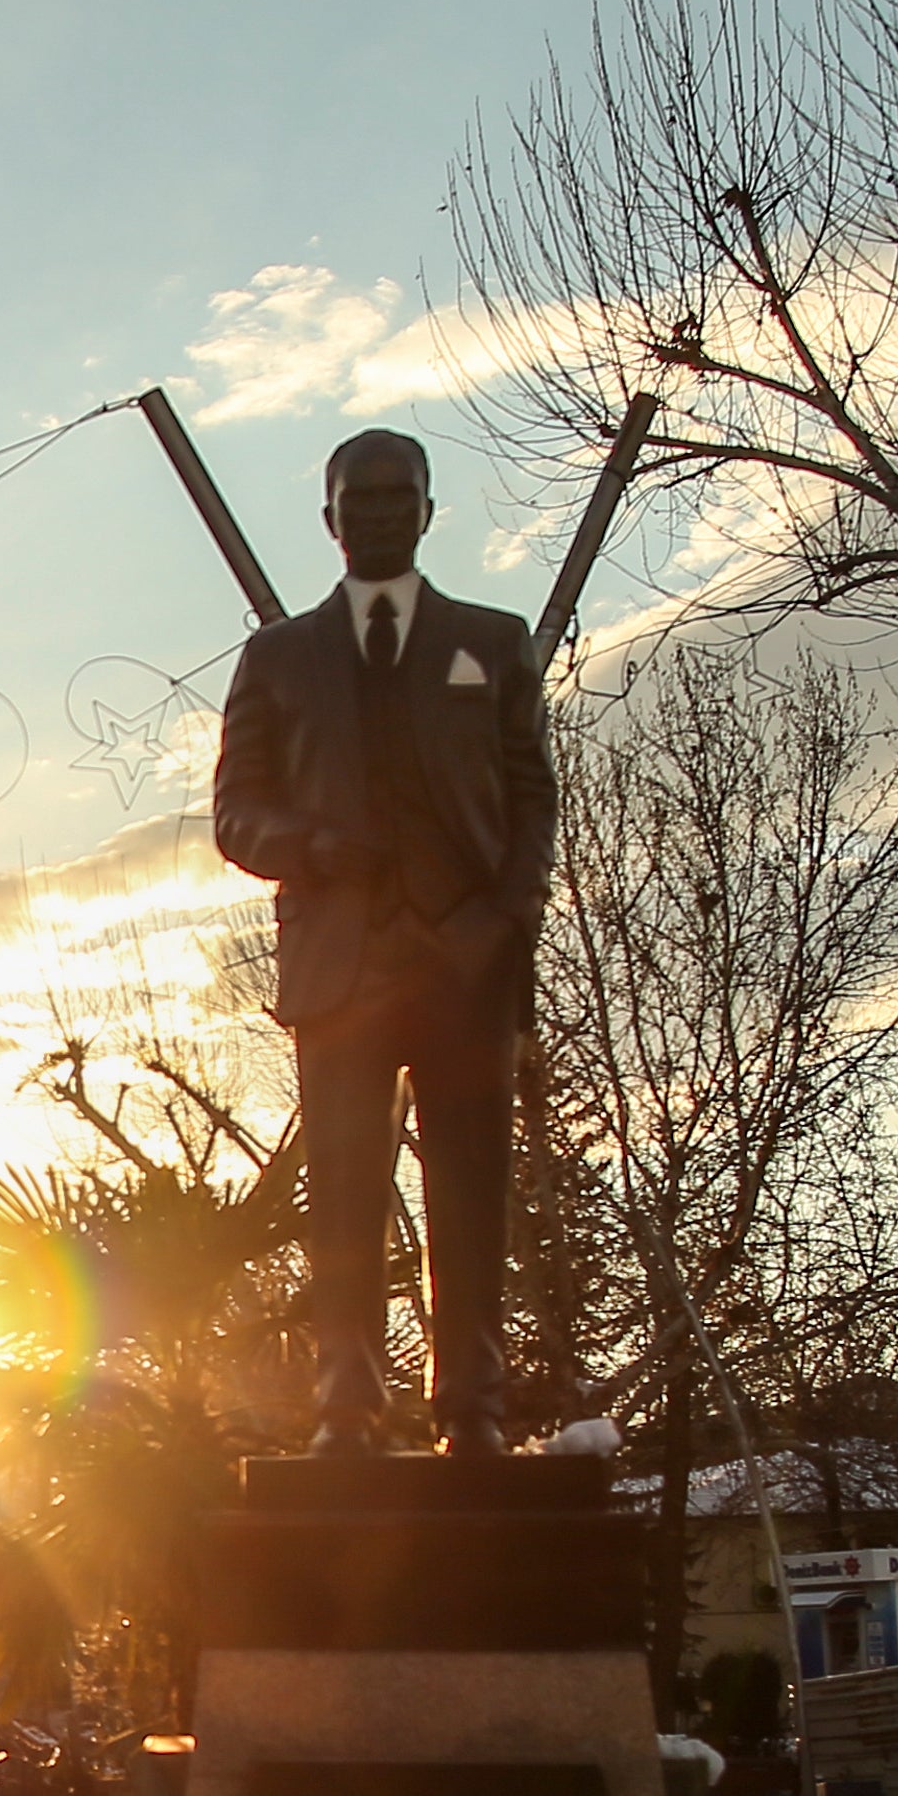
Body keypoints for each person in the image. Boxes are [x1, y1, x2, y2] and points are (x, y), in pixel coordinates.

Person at [208, 428, 561, 1456]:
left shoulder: (489, 644)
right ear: (327, 522)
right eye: (353, 504)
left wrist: (502, 916)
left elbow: (533, 794)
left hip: (467, 964)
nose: (373, 518)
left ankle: (471, 1410)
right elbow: (235, 814)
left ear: (424, 511)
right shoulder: (276, 658)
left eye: (393, 500)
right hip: (339, 973)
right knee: (344, 1206)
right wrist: (313, 847)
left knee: (469, 1201)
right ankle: (347, 1410)